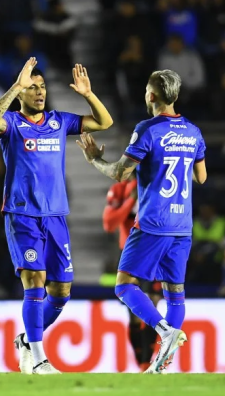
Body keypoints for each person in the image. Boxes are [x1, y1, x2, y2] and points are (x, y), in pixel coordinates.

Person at [0, 58, 113, 374]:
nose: (39, 93)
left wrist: (88, 94)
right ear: (22, 94)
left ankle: (27, 340)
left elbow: (104, 122)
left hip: (55, 216)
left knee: (61, 291)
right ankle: (38, 358)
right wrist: (16, 85)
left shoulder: (59, 121)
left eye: (42, 88)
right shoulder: (13, 124)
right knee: (35, 281)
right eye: (33, 88)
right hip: (22, 215)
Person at [77, 69, 207, 373]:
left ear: (151, 96)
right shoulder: (193, 131)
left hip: (153, 223)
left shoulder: (148, 129)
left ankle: (164, 332)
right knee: (175, 292)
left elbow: (121, 173)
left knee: (123, 286)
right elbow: (201, 177)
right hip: (182, 225)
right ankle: (165, 360)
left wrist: (95, 159)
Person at [102, 175, 161, 371]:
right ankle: (142, 364)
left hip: (153, 250)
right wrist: (131, 201)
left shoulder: (156, 184)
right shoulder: (120, 189)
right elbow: (109, 224)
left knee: (152, 302)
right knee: (136, 314)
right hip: (129, 252)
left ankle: (146, 363)